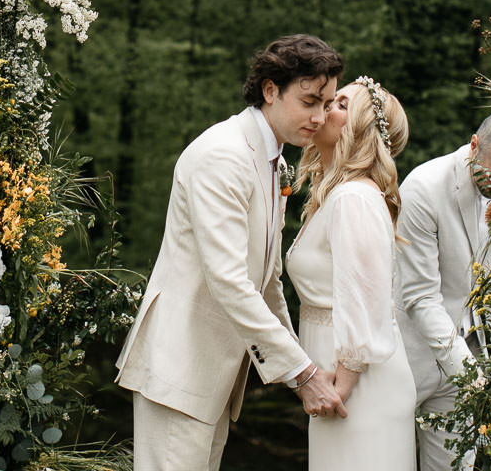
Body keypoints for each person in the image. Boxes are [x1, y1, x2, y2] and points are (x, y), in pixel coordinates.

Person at [117, 34, 350, 471]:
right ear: (270, 90)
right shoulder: (222, 155)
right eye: (309, 101)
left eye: (326, 104)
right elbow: (229, 281)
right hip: (179, 368)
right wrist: (303, 374)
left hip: (214, 377)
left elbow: (268, 282)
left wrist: (305, 366)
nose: (320, 117)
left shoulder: (275, 161)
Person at [287, 75, 416, 471]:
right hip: (337, 378)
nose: (325, 107)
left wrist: (339, 388)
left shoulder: (354, 198)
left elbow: (364, 296)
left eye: (341, 104)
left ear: (362, 130)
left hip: (358, 387)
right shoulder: (333, 195)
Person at [395, 110, 491, 471]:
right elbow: (420, 296)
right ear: (474, 145)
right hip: (407, 356)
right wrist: (471, 375)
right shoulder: (424, 187)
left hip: (467, 360)